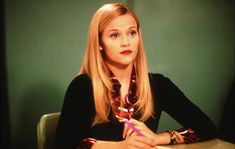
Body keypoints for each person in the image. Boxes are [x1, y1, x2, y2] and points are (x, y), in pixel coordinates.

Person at [55, 3, 216, 149]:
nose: (126, 42)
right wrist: (121, 147)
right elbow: (65, 145)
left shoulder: (158, 84)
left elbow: (206, 128)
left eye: (132, 33)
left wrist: (156, 138)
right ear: (100, 43)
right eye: (114, 35)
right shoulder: (82, 86)